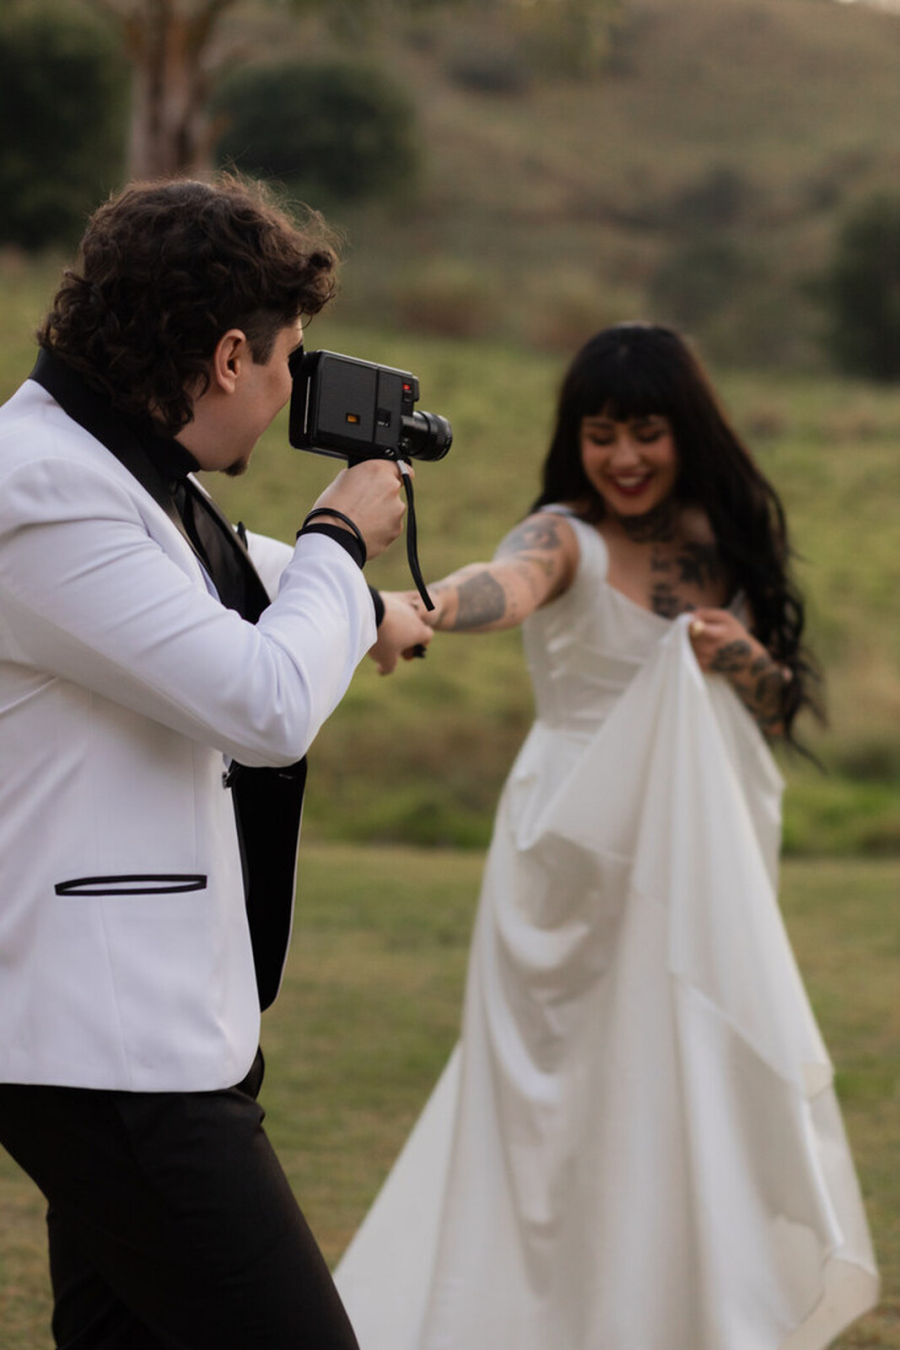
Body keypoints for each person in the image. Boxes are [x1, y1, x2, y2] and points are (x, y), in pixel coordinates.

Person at [335, 323, 880, 1349]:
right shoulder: (564, 534)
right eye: (599, 434)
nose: (622, 458)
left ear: (688, 432)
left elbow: (777, 707)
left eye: (645, 432)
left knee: (695, 1084)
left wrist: (744, 659)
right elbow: (507, 585)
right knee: (563, 1107)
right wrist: (425, 604)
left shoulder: (728, 541)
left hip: (709, 842)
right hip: (575, 861)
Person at [0, 175, 432, 1350]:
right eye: (293, 362)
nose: (296, 392)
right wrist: (341, 539)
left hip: (140, 1031)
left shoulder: (117, 470)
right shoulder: (42, 492)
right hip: (111, 1048)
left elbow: (223, 565)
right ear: (232, 354)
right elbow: (265, 702)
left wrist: (363, 599)